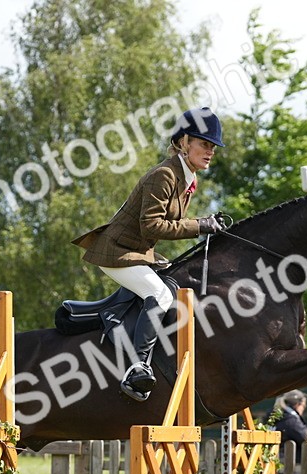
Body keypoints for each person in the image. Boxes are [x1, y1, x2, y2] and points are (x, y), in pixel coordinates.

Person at [72, 106, 226, 401]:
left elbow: (157, 229)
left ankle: (121, 325)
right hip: (116, 252)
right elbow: (151, 225)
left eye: (213, 147)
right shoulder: (165, 174)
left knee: (172, 284)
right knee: (162, 296)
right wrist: (200, 225)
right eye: (204, 144)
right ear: (183, 142)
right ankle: (137, 367)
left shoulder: (186, 179)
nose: (210, 152)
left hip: (137, 252)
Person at [273, 390, 307, 463]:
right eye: (303, 405)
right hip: (288, 465)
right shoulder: (291, 421)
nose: (304, 408)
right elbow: (306, 438)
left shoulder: (277, 417)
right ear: (297, 404)